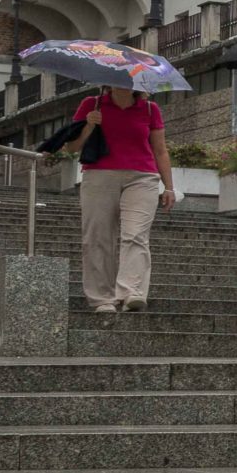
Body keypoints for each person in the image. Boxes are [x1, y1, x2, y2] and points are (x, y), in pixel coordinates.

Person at [71, 86, 175, 315]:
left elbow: (160, 150)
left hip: (142, 177)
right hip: (99, 175)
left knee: (136, 234)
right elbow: (72, 146)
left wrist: (169, 187)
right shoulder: (91, 104)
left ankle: (132, 292)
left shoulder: (149, 109)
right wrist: (89, 124)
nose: (123, 82)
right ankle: (102, 298)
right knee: (98, 236)